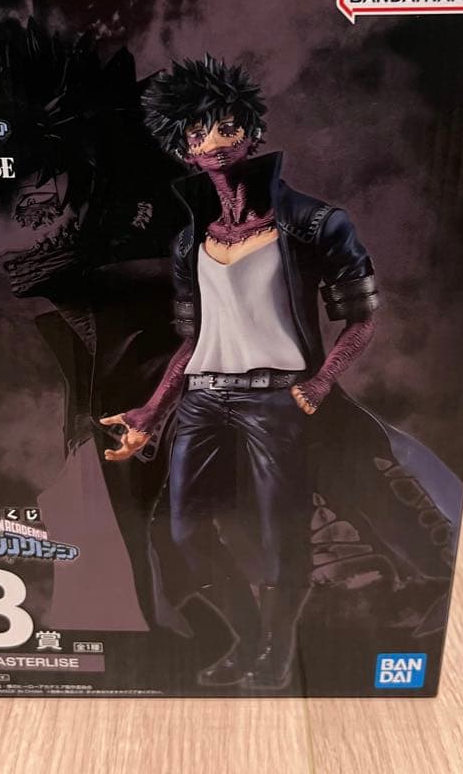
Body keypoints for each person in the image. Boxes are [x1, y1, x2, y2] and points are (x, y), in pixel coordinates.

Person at [102, 54, 381, 689]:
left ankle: (279, 651)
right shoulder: (190, 240)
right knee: (185, 533)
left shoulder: (314, 222)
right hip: (204, 399)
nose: (215, 142)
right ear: (183, 148)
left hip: (276, 399)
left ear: (251, 133)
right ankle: (251, 638)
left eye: (227, 126)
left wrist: (319, 383)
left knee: (282, 533)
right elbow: (194, 339)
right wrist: (152, 411)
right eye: (198, 132)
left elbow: (362, 319)